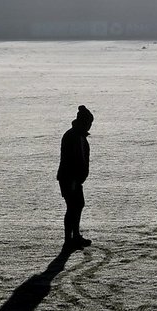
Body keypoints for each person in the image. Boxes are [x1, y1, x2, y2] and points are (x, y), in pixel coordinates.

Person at [57, 104, 94, 249]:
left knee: (77, 206)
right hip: (70, 178)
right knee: (73, 207)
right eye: (89, 123)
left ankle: (75, 236)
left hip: (74, 179)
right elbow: (72, 160)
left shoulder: (76, 135)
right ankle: (69, 239)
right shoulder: (74, 136)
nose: (90, 126)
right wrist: (74, 180)